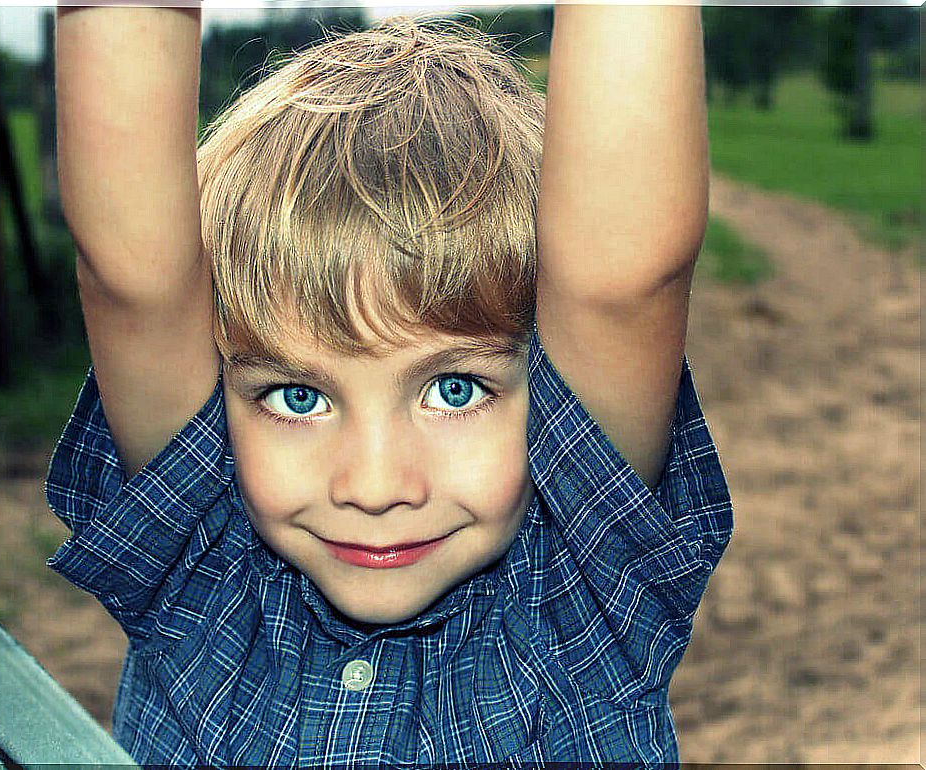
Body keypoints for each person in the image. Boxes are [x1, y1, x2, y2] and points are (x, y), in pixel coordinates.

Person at [46, 3, 732, 765]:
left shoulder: (580, 596)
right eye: (297, 398)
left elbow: (622, 280)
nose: (374, 487)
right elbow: (130, 277)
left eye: (454, 390)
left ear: (550, 378)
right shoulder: (203, 571)